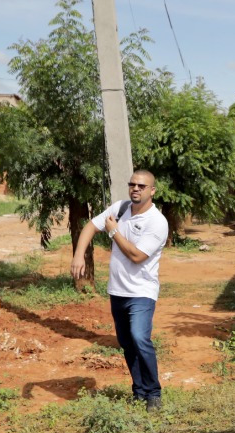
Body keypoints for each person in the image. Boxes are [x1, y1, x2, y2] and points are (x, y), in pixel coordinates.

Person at [71, 169, 169, 412]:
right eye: (132, 184)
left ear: (152, 191)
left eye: (142, 186)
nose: (136, 189)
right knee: (126, 342)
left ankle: (154, 393)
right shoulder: (121, 208)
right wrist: (78, 255)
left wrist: (114, 232)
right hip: (117, 291)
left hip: (142, 292)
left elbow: (137, 256)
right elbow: (90, 226)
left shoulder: (157, 222)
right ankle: (139, 390)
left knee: (139, 338)